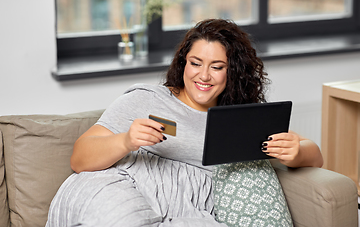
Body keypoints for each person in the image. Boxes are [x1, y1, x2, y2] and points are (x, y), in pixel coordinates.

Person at [46, 19, 323, 227]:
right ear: (183, 63)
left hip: (187, 211)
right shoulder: (145, 99)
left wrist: (297, 152)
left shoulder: (242, 117)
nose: (203, 76)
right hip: (122, 185)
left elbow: (315, 155)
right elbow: (79, 158)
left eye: (217, 67)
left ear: (233, 72)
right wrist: (125, 141)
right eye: (195, 63)